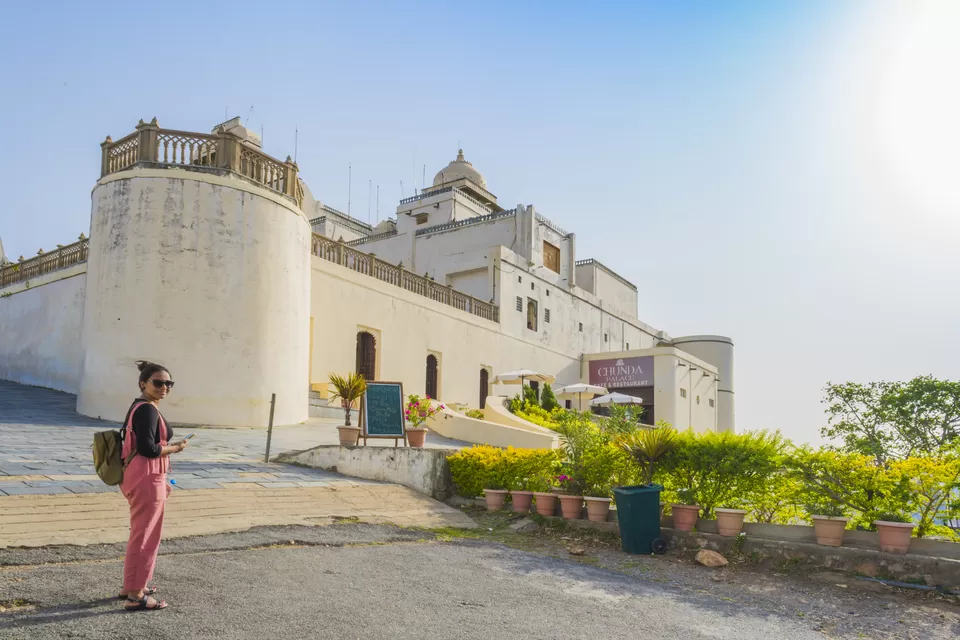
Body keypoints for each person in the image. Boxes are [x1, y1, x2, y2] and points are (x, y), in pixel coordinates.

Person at [118, 361, 189, 612]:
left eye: (168, 383)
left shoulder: (138, 406)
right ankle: (136, 596)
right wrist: (176, 448)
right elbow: (149, 449)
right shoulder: (147, 409)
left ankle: (131, 586)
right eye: (158, 383)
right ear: (143, 384)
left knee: (140, 533)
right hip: (148, 476)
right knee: (147, 536)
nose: (164, 388)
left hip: (137, 475)